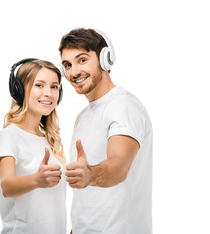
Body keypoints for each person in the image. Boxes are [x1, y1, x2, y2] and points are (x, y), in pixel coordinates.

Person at [59, 28, 153, 234]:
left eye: (82, 60)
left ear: (105, 59)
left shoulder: (123, 106)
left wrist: (90, 174)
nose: (74, 72)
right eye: (67, 64)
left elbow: (118, 168)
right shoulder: (82, 116)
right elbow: (88, 196)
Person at [0, 58, 67, 234]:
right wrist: (36, 179)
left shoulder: (51, 141)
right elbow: (7, 186)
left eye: (54, 86)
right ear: (19, 91)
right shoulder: (9, 135)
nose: (49, 93)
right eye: (39, 85)